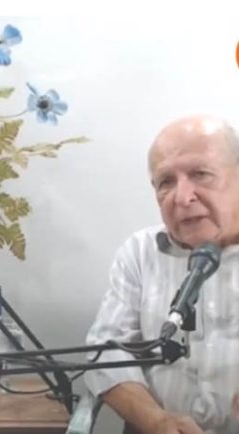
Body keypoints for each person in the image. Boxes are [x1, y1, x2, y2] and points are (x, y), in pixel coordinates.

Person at [84, 115, 239, 434]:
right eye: (166, 182)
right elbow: (107, 350)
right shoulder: (139, 253)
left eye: (201, 174)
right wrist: (156, 420)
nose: (182, 197)